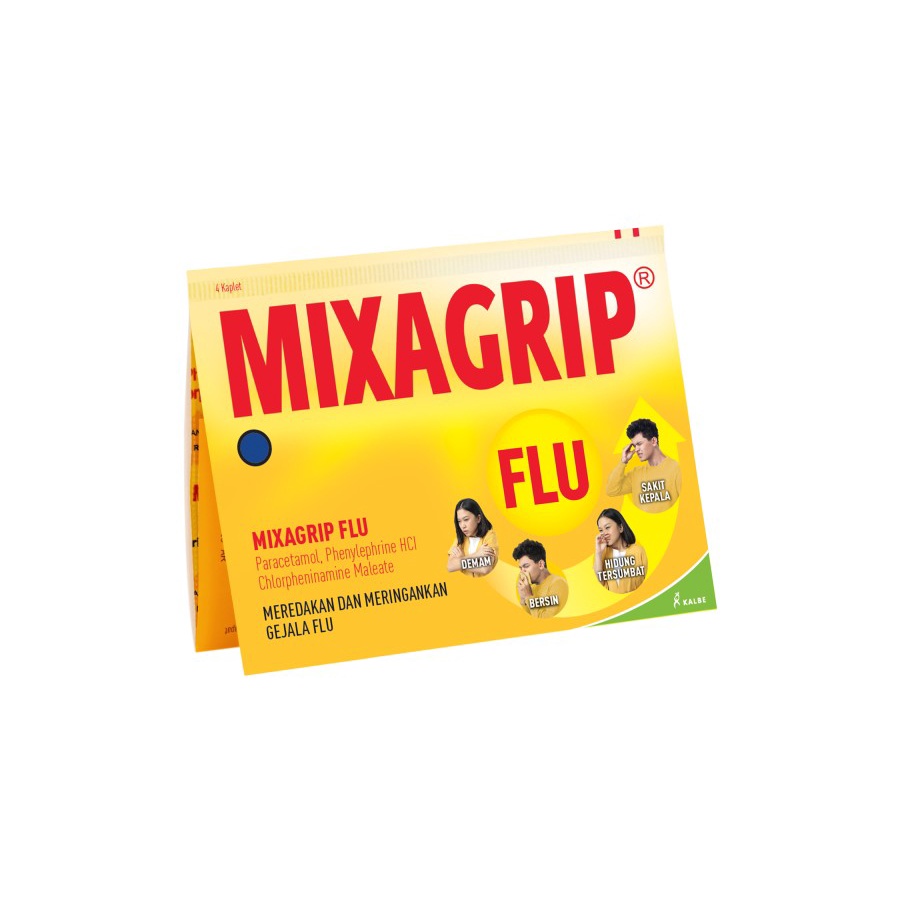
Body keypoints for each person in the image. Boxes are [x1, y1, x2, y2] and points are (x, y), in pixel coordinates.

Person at [606, 417, 681, 513]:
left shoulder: (676, 468)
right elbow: (611, 490)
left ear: (653, 441)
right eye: (634, 446)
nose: (636, 449)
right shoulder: (636, 474)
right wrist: (623, 462)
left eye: (639, 444)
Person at [593, 508, 647, 593]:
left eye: (607, 527)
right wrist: (598, 552)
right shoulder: (602, 555)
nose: (604, 533)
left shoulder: (638, 551)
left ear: (621, 527)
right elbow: (600, 584)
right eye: (601, 530)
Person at [512, 539, 568, 618]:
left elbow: (545, 620)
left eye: (526, 566)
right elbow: (528, 617)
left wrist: (528, 596)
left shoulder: (558, 583)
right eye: (520, 568)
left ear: (541, 564)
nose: (522, 572)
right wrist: (523, 598)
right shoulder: (531, 588)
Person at [447, 498, 498, 577]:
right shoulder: (459, 538)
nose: (462, 526)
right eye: (459, 521)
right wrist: (477, 554)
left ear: (478, 518)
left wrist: (460, 559)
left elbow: (485, 568)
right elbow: (450, 566)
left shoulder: (490, 536)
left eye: (466, 519)